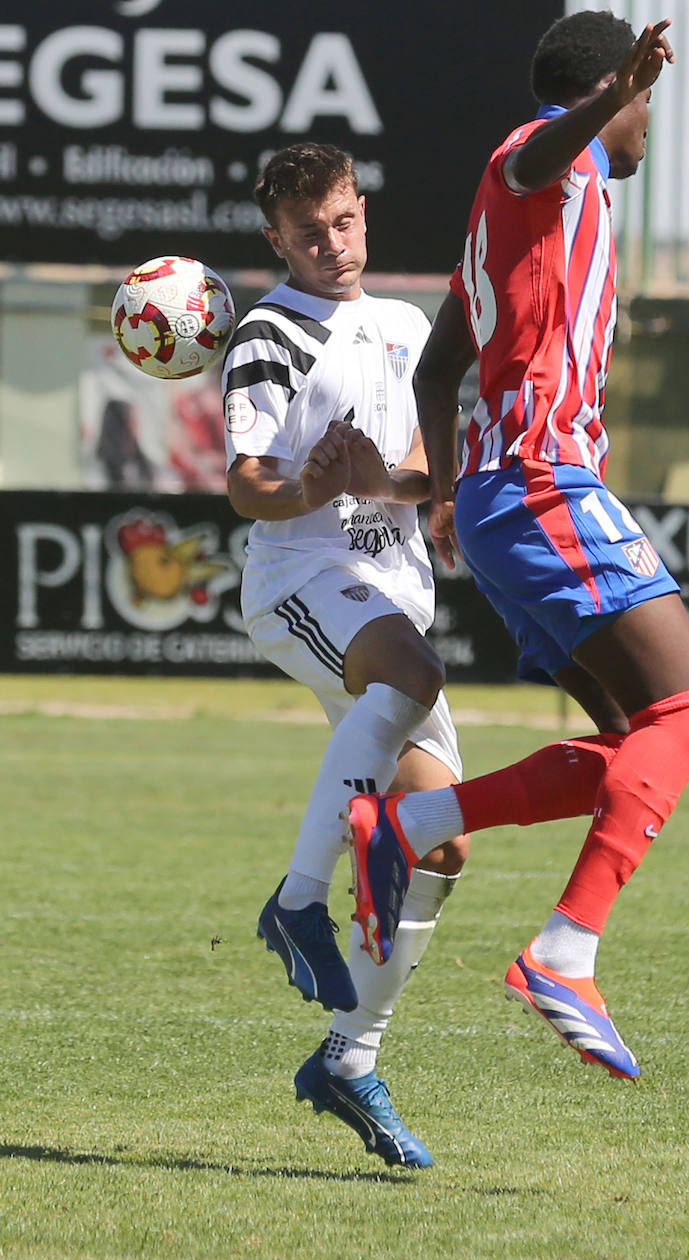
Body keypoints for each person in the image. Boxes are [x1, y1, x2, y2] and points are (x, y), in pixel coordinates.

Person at [346, 12, 689, 1082]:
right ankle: (566, 952)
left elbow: (436, 368)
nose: (648, 127)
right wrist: (612, 99)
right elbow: (541, 151)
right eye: (646, 100)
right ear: (617, 88)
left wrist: (447, 498)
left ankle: (410, 824)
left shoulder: (517, 234)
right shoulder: (542, 162)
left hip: (507, 498)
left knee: (627, 751)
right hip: (544, 482)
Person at [222, 143, 469, 1168]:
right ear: (276, 238)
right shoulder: (269, 334)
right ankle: (294, 902)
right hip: (302, 587)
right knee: (416, 674)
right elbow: (247, 486)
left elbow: (415, 474)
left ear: (361, 213)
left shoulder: (404, 325)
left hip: (390, 597)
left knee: (441, 849)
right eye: (310, 232)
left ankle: (348, 1059)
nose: (333, 245)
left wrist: (397, 485)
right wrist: (319, 491)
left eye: (345, 222)